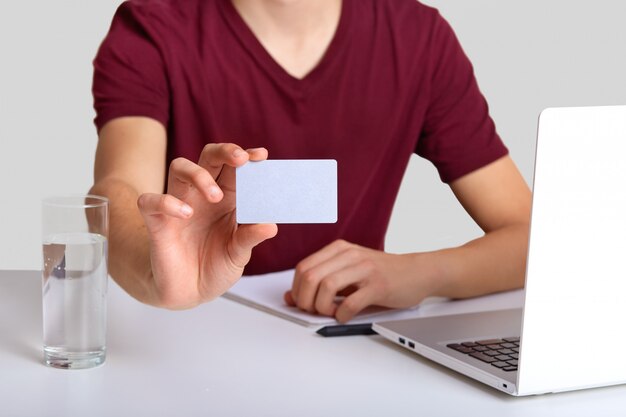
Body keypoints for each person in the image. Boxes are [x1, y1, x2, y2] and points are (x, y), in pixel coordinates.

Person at [90, 0, 531, 322]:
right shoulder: (154, 27)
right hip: (194, 338)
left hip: (349, 339)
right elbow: (119, 193)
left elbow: (533, 236)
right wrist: (158, 275)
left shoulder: (420, 39)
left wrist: (423, 272)